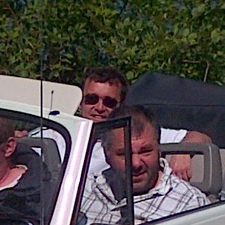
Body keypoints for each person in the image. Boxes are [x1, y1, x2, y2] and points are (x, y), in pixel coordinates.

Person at [80, 105, 209, 225]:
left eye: (145, 151)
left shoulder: (189, 206)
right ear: (107, 156)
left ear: (159, 151)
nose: (136, 163)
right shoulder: (85, 190)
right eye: (124, 154)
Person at [80, 67, 212, 181]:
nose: (99, 107)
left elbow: (201, 137)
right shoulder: (68, 135)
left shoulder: (136, 134)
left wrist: (183, 152)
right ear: (81, 102)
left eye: (109, 102)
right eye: (91, 99)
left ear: (121, 105)